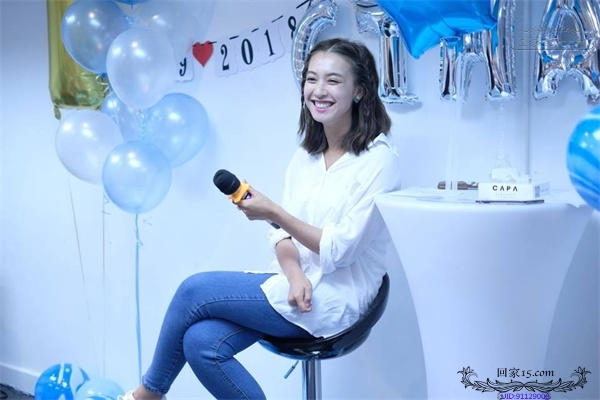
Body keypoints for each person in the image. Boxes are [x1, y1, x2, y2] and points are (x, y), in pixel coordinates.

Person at [120, 37, 401, 400]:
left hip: (337, 298)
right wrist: (294, 272)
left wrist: (274, 212)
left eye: (333, 80)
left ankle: (146, 395)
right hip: (295, 284)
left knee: (193, 291)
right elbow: (281, 235)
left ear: (359, 90)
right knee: (201, 342)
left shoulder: (379, 161)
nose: (318, 90)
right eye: (311, 79)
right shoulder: (306, 158)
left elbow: (340, 250)